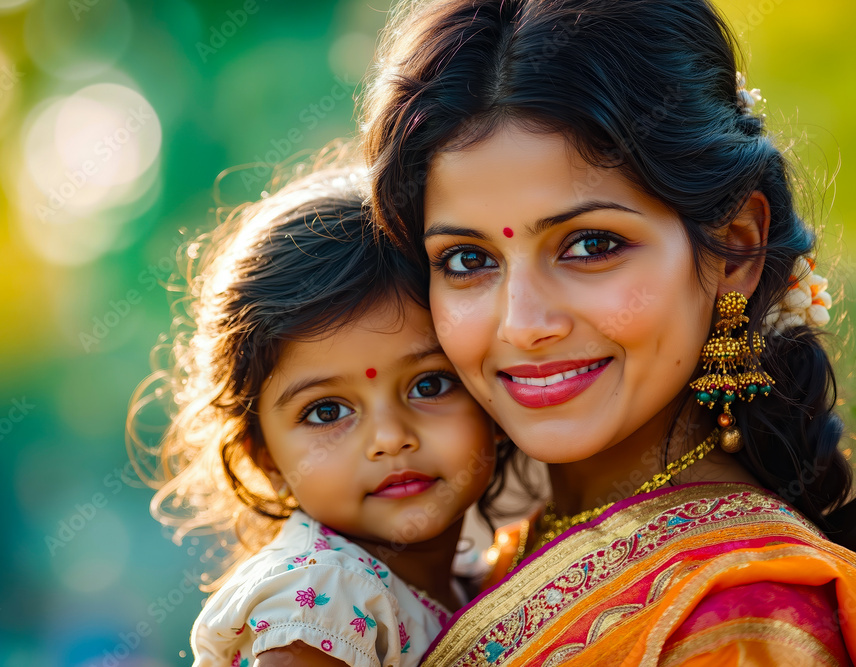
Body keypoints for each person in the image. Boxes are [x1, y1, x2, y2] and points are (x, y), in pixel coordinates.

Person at [359, 0, 856, 664]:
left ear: (734, 251)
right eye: (468, 259)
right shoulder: (490, 557)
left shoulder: (742, 616)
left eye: (591, 244)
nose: (523, 324)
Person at [128, 161, 502, 666]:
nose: (390, 438)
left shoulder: (474, 575)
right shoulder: (325, 595)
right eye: (327, 411)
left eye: (429, 385)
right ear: (263, 456)